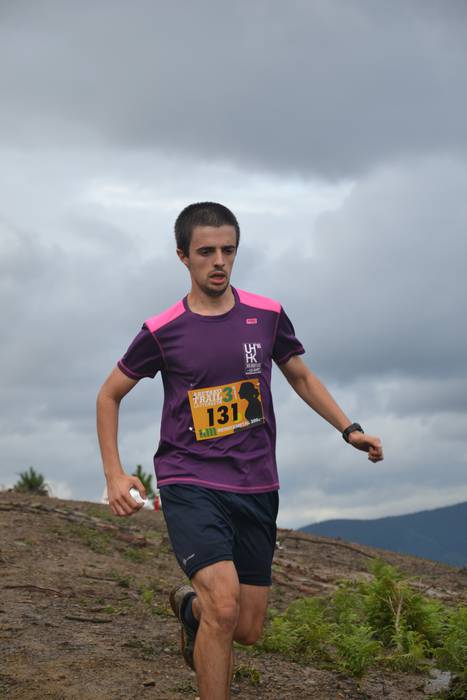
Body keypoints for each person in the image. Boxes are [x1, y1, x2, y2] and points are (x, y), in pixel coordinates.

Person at [96, 202, 384, 700]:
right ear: (183, 256)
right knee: (224, 605)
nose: (219, 262)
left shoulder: (267, 315)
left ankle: (192, 613)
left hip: (256, 483)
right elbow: (109, 395)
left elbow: (300, 375)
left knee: (245, 627)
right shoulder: (162, 330)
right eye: (206, 252)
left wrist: (349, 429)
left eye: (228, 250)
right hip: (190, 479)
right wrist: (115, 474)